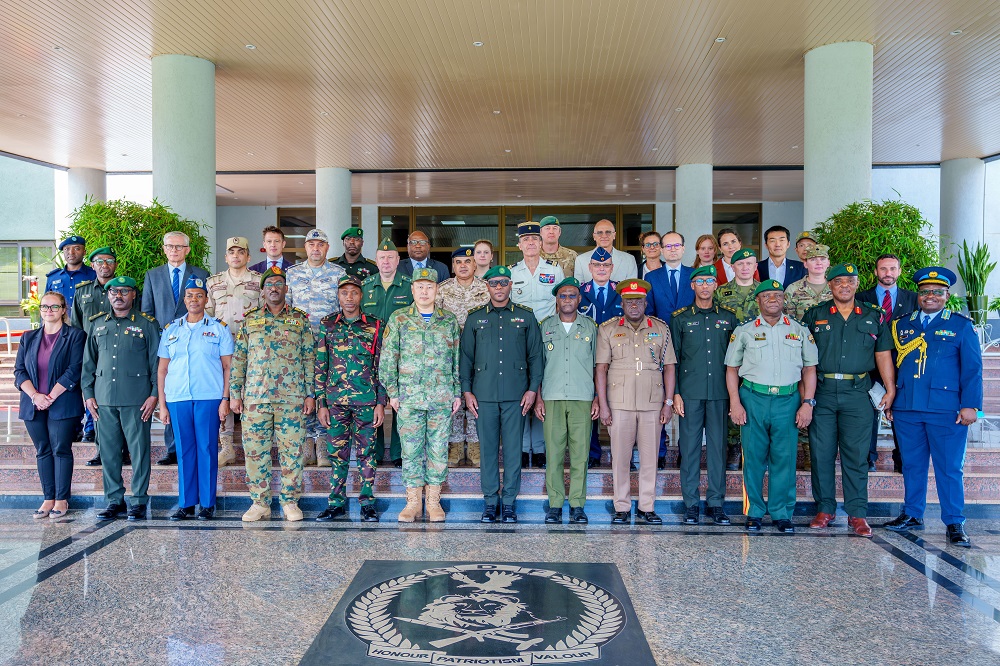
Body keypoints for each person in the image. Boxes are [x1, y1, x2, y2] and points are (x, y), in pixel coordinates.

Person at [884, 267, 982, 547]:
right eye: (925, 291)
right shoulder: (901, 325)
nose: (931, 296)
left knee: (949, 467)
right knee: (912, 464)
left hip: (946, 409)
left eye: (937, 292)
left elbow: (972, 369)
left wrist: (970, 406)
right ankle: (913, 514)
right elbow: (889, 362)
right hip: (907, 406)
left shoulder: (960, 325)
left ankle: (954, 521)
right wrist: (891, 397)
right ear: (918, 295)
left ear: (946, 296)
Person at [802, 263, 895, 538]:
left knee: (856, 455)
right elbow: (804, 360)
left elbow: (883, 355)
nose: (844, 285)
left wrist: (890, 389)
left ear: (857, 284)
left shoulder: (873, 315)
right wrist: (805, 398)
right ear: (830, 285)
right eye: (839, 281)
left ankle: (857, 513)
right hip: (822, 392)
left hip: (858, 393)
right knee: (821, 453)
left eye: (850, 281)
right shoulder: (815, 315)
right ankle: (825, 509)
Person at [725, 280, 818, 533]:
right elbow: (731, 369)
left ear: (783, 299)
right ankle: (754, 511)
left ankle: (781, 513)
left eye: (777, 295)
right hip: (753, 398)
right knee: (753, 458)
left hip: (788, 401)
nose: (773, 300)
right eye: (767, 296)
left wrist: (807, 403)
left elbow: (809, 369)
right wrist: (735, 402)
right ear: (758, 301)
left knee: (784, 459)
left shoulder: (799, 330)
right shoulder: (745, 330)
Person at [230, 267, 315, 522]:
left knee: (293, 453)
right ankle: (260, 503)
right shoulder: (250, 320)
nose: (274, 288)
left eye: (279, 284)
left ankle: (290, 502)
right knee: (255, 452)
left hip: (292, 398)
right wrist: (235, 393)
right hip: (256, 398)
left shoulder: (300, 320)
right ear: (263, 290)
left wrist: (310, 394)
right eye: (269, 284)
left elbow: (309, 359)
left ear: (286, 289)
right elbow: (239, 359)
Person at [460, 265, 543, 524]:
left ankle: (508, 503)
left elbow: (536, 357)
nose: (499, 287)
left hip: (516, 395)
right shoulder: (475, 318)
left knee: (513, 451)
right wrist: (466, 391)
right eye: (494, 283)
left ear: (510, 285)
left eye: (503, 282)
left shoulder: (525, 317)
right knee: (487, 451)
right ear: (487, 286)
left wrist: (533, 389)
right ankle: (490, 502)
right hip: (483, 395)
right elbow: (465, 358)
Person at [380, 267, 462, 522]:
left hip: (441, 397)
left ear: (437, 290)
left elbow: (456, 360)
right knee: (411, 451)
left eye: (429, 287)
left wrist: (456, 392)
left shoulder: (448, 320)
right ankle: (413, 502)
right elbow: (388, 358)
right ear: (412, 289)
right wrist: (393, 392)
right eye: (420, 287)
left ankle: (434, 502)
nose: (425, 291)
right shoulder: (399, 319)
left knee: (438, 450)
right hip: (409, 397)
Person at [596, 279, 675, 525]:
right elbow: (601, 369)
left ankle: (646, 506)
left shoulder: (661, 328)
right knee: (620, 458)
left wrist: (668, 402)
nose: (634, 306)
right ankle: (621, 506)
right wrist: (603, 405)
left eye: (638, 301)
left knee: (649, 459)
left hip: (653, 403)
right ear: (622, 304)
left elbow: (669, 367)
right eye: (629, 301)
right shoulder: (608, 329)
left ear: (645, 303)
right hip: (619, 403)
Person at [82, 276, 160, 521]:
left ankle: (138, 500)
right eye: (114, 291)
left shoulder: (146, 324)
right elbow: (88, 363)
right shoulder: (97, 324)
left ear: (133, 295)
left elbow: (157, 363)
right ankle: (114, 500)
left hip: (137, 399)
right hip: (103, 399)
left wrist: (154, 394)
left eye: (124, 291)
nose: (118, 295)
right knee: (108, 453)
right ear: (108, 295)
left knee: (139, 451)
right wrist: (88, 395)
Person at [156, 276, 233, 521]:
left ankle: (207, 504)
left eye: (199, 295)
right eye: (189, 296)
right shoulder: (171, 329)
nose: (194, 300)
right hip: (178, 398)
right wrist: (162, 404)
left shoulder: (219, 328)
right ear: (184, 299)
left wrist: (225, 399)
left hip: (208, 397)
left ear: (206, 299)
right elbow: (162, 370)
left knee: (207, 449)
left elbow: (228, 367)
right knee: (184, 451)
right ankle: (187, 503)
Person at [315, 275, 386, 523]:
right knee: (337, 454)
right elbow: (321, 365)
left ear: (361, 295)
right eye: (344, 292)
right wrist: (321, 403)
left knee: (367, 454)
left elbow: (382, 366)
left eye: (354, 292)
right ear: (338, 295)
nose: (349, 297)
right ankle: (336, 503)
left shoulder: (375, 325)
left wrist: (381, 403)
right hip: (335, 402)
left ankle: (367, 504)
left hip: (366, 401)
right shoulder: (328, 325)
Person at [670, 266, 738, 525]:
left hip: (720, 393)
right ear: (692, 286)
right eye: (700, 281)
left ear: (716, 285)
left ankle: (716, 503)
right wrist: (676, 393)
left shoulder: (728, 318)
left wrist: (735, 397)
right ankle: (691, 504)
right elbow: (673, 360)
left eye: (710, 280)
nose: (705, 285)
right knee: (689, 449)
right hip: (690, 393)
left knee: (718, 450)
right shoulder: (680, 318)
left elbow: (736, 361)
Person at [15, 292, 86, 519]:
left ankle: (62, 499)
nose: (49, 310)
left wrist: (50, 396)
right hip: (33, 404)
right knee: (43, 450)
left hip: (62, 402)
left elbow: (74, 369)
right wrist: (36, 396)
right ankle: (48, 498)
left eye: (54, 307)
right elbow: (19, 372)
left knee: (61, 449)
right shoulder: (28, 337)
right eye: (45, 306)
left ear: (63, 310)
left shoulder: (75, 336)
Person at [141, 230, 209, 466]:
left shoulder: (201, 274)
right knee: (171, 391)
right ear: (164, 249)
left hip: (195, 342)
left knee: (193, 391)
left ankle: (195, 445)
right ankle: (173, 448)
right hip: (165, 345)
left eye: (179, 246)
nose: (174, 250)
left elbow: (206, 308)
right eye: (170, 246)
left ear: (187, 250)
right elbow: (147, 312)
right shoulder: (153, 275)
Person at [536, 277, 597, 525]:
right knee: (554, 454)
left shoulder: (591, 327)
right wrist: (538, 398)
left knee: (580, 455)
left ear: (579, 299)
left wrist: (597, 398)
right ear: (557, 300)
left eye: (572, 295)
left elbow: (599, 366)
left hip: (582, 397)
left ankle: (577, 504)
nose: (568, 300)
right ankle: (555, 504)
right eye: (563, 296)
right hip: (552, 397)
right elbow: (537, 365)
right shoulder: (545, 327)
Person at [286, 228, 346, 466]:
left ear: (327, 248)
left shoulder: (338, 274)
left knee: (325, 389)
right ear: (305, 247)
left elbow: (343, 309)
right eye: (311, 244)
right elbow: (287, 308)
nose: (316, 248)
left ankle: (322, 442)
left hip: (328, 342)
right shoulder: (293, 274)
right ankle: (307, 443)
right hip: (300, 343)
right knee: (304, 388)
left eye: (320, 244)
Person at [857, 253, 918, 472]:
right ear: (876, 271)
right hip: (869, 363)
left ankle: (902, 460)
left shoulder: (913, 298)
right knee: (868, 412)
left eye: (892, 268)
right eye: (883, 269)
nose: (888, 273)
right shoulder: (861, 298)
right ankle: (868, 459)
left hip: (903, 365)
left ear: (899, 271)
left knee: (900, 413)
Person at [510, 220, 563, 467]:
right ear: (519, 245)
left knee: (545, 390)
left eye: (534, 239)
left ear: (541, 243)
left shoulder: (555, 270)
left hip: (547, 336)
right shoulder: (511, 272)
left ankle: (540, 448)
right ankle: (522, 447)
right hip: (519, 337)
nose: (530, 243)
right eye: (526, 240)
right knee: (522, 389)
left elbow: (561, 304)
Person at [205, 236, 261, 467]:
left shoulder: (258, 281)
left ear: (248, 256)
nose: (236, 256)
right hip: (222, 348)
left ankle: (252, 445)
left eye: (241, 252)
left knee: (251, 393)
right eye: (232, 252)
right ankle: (227, 447)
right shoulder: (213, 282)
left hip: (252, 346)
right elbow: (207, 316)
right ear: (226, 257)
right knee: (224, 393)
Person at [435, 247, 490, 467]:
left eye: (467, 261)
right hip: (451, 353)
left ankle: (475, 445)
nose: (463, 266)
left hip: (480, 353)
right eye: (458, 262)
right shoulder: (442, 289)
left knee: (477, 399)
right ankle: (456, 445)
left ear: (475, 264)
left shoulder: (486, 288)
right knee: (455, 399)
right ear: (452, 266)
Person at [362, 238, 413, 466]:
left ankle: (398, 453)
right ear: (376, 260)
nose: (386, 261)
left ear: (398, 260)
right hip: (370, 353)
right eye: (382, 257)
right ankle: (375, 452)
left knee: (399, 402)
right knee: (373, 400)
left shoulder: (409, 285)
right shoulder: (366, 286)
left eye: (390, 257)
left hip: (401, 353)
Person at [577, 248, 622, 468]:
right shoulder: (579, 292)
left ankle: (620, 455)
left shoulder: (621, 291)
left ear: (612, 268)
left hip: (618, 357)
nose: (601, 269)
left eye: (605, 265)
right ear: (590, 268)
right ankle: (593, 453)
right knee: (591, 406)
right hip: (587, 357)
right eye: (597, 265)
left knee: (619, 406)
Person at [71, 245, 119, 452]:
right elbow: (75, 326)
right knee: (90, 389)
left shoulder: (123, 290)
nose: (104, 265)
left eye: (109, 261)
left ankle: (113, 441)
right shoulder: (82, 291)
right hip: (89, 351)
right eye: (99, 261)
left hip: (116, 350)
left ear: (115, 265)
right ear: (92, 265)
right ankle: (90, 427)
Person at [645, 232, 695, 324]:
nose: (673, 249)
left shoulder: (694, 275)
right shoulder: (651, 277)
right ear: (662, 250)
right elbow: (648, 311)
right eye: (668, 246)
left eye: (677, 245)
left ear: (683, 249)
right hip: (661, 330)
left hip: (690, 329)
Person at [573, 219, 637, 283]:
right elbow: (579, 287)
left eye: (608, 232)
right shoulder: (581, 260)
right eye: (600, 233)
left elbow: (631, 287)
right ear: (594, 236)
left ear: (614, 235)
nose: (604, 236)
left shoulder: (629, 260)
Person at [46, 235, 96, 311]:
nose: (71, 252)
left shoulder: (94, 275)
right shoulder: (53, 277)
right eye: (67, 249)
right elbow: (46, 305)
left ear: (84, 252)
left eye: (77, 248)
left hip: (86, 318)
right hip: (61, 319)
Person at [783, 244, 833, 321]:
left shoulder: (836, 288)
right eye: (813, 259)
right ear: (805, 264)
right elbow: (787, 321)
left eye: (822, 259)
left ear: (828, 263)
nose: (819, 263)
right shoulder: (792, 289)